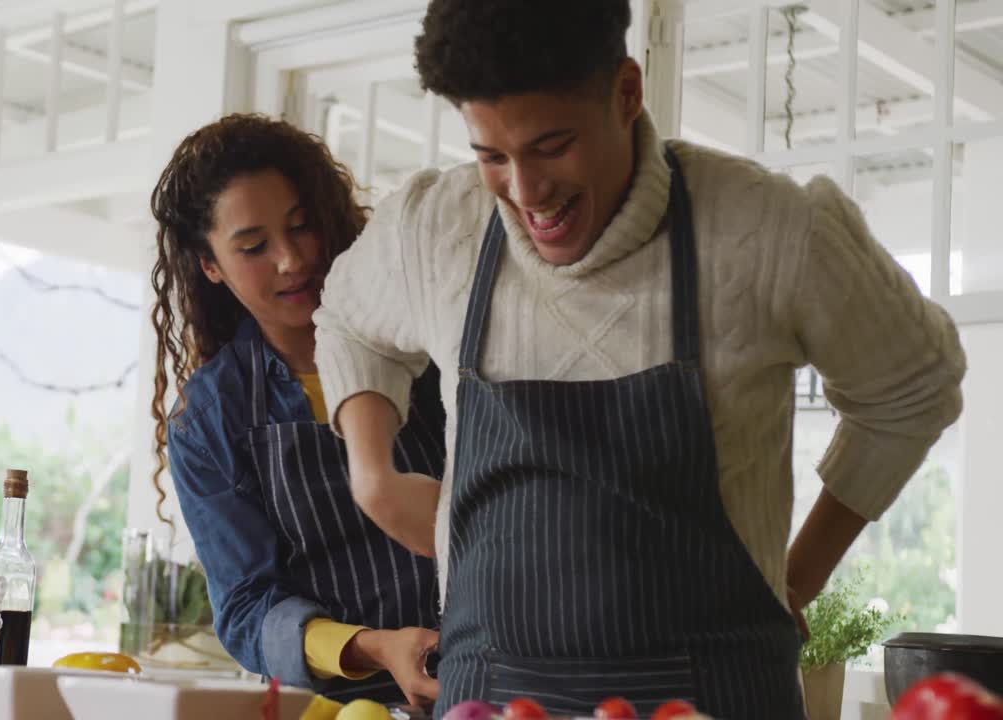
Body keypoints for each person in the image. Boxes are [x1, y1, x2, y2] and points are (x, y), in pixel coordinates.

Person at [311, 2, 967, 717]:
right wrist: (372, 477)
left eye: (552, 144)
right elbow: (349, 320)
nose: (526, 193)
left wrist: (794, 579)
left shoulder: (772, 228)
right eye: (492, 156)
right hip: (487, 698)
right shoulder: (436, 227)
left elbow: (915, 386)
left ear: (627, 92)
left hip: (718, 697)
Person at [149, 114, 444, 706]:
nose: (291, 260)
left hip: (500, 678)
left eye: (302, 226)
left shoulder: (428, 338)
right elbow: (249, 607)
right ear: (209, 265)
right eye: (254, 246)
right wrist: (375, 646)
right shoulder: (210, 419)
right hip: (339, 708)